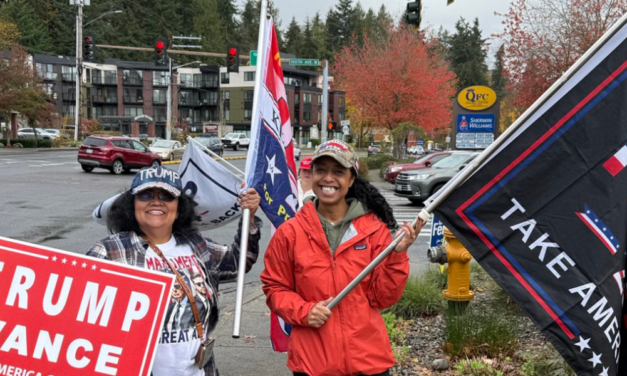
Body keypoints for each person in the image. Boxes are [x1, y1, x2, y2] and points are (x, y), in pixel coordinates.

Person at [261, 140, 421, 376]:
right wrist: (305, 311)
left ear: (351, 179)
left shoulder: (374, 230)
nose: (328, 178)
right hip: (313, 363)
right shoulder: (290, 233)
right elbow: (275, 289)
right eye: (321, 170)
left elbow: (383, 298)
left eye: (338, 172)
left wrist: (397, 256)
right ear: (311, 175)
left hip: (368, 362)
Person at [87, 165, 262, 376]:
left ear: (179, 207)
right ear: (131, 204)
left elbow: (237, 263)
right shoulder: (109, 251)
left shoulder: (196, 245)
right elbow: (79, 315)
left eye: (167, 195)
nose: (156, 201)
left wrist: (249, 218)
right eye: (145, 194)